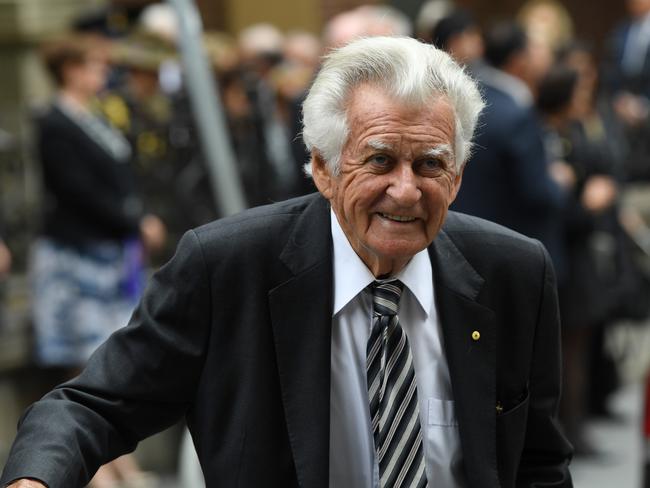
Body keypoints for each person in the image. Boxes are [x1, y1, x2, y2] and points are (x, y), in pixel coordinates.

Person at [1, 36, 572, 488]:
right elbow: (93, 404)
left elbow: (539, 463)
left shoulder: (513, 273)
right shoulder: (227, 267)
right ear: (322, 168)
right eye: (379, 160)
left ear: (459, 174)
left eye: (429, 164)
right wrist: (37, 478)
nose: (405, 190)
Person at [26, 33, 164, 488]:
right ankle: (98, 469)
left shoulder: (99, 116)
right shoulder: (53, 120)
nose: (103, 73)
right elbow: (75, 188)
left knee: (111, 354)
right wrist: (131, 219)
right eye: (94, 65)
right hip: (75, 256)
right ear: (69, 69)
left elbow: (124, 176)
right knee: (80, 360)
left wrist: (138, 216)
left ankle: (114, 460)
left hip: (110, 258)